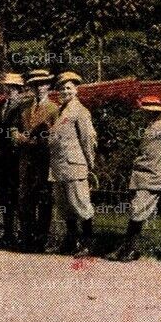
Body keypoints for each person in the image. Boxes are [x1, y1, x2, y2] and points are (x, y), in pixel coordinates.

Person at [109, 99, 161, 262]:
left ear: (159, 113)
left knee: (137, 211)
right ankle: (128, 248)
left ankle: (129, 249)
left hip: (153, 177)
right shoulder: (148, 128)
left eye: (152, 111)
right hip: (141, 176)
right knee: (136, 211)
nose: (148, 113)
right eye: (147, 111)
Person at [47, 71, 98, 256]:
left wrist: (89, 164)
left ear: (76, 90)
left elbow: (87, 139)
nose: (65, 91)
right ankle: (70, 242)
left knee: (81, 205)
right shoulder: (61, 111)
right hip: (59, 167)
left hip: (75, 165)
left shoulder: (80, 111)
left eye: (69, 88)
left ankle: (88, 244)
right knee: (64, 206)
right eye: (62, 88)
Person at [15, 69, 58, 251]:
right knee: (26, 198)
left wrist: (39, 141)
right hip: (26, 159)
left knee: (44, 198)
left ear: (48, 86)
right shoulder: (25, 109)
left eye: (43, 84)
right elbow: (14, 129)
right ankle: (27, 237)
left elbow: (56, 136)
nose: (40, 87)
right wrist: (17, 136)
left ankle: (41, 238)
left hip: (44, 160)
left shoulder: (54, 109)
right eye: (36, 85)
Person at [0, 72, 30, 248]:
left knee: (17, 195)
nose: (9, 91)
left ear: (19, 90)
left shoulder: (24, 108)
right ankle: (7, 232)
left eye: (13, 88)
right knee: (3, 195)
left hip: (16, 157)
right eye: (7, 87)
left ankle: (20, 233)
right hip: (0, 157)